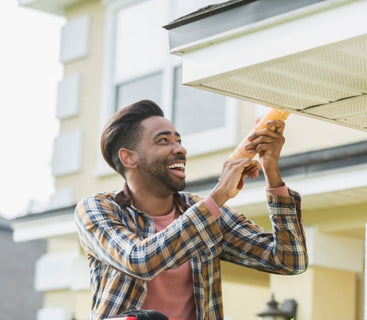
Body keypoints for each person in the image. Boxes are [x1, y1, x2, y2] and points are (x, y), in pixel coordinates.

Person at [75, 100, 308, 320]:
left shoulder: (203, 212)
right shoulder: (98, 209)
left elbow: (289, 260)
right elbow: (140, 261)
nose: (180, 149)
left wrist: (272, 172)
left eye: (178, 140)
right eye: (163, 141)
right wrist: (218, 197)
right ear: (129, 158)